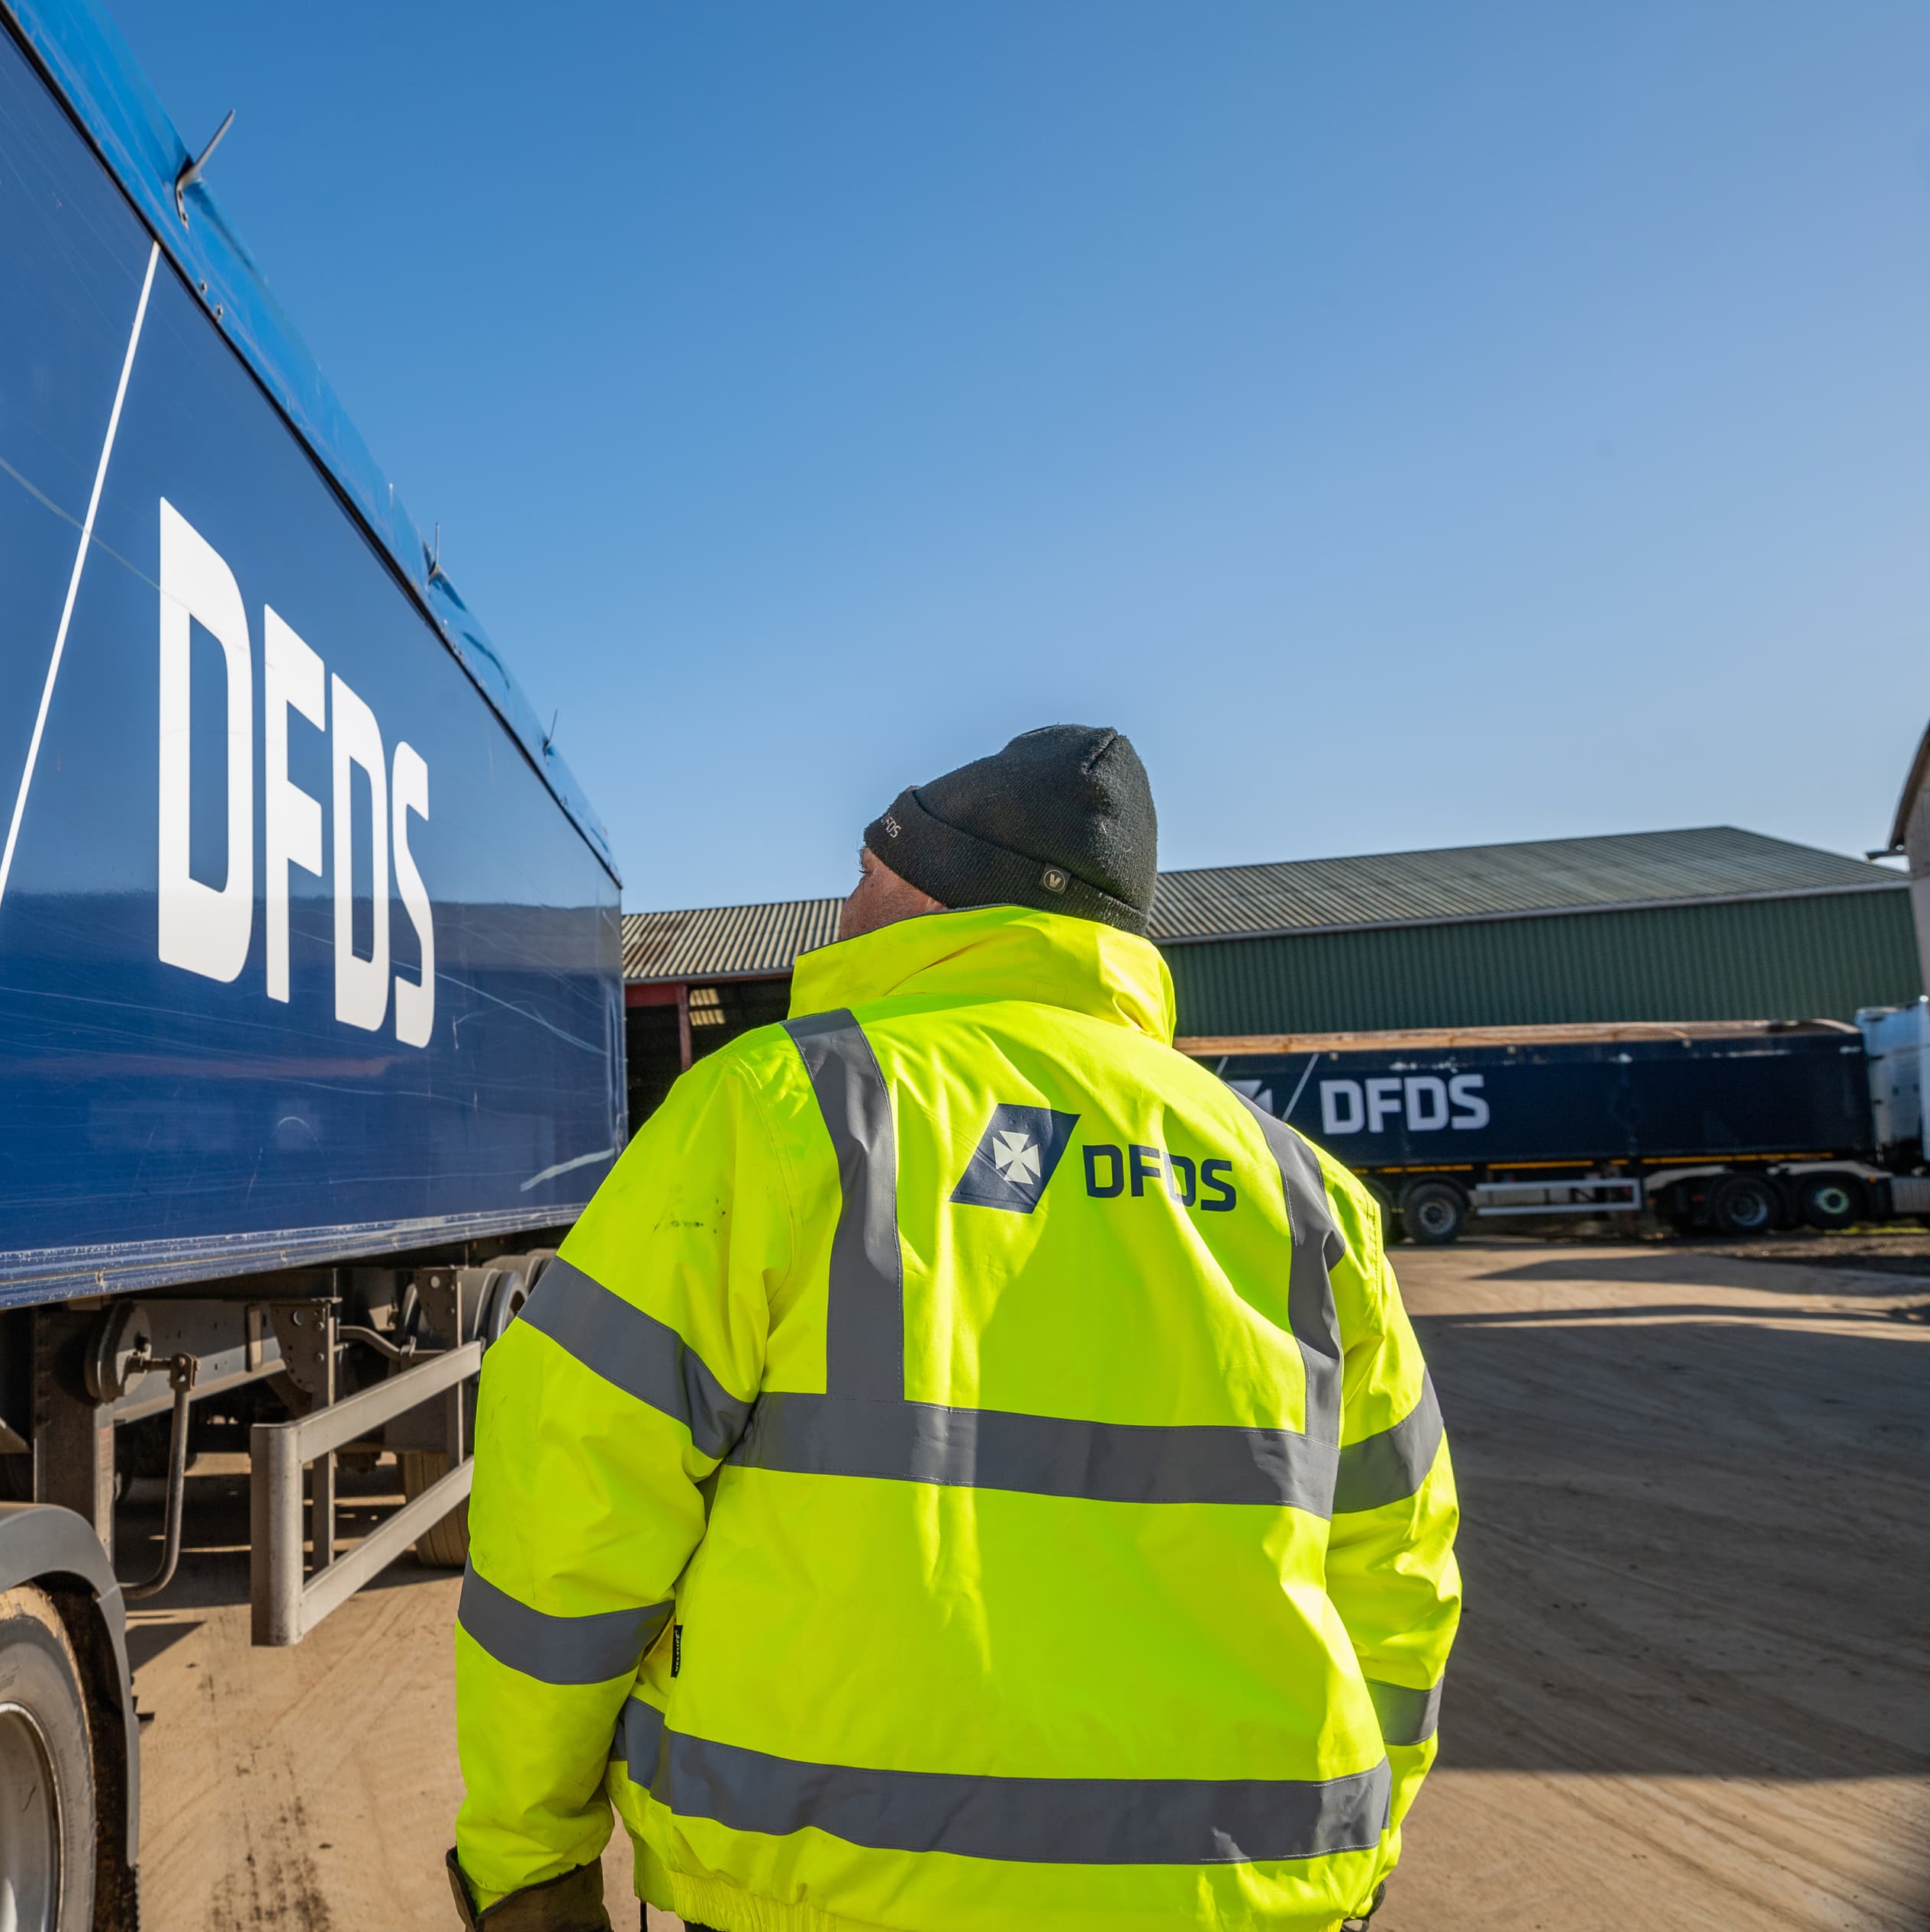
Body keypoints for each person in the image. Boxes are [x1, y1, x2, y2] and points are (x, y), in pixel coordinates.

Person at [446, 726, 1461, 1932]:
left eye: (868, 873)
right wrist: (1364, 1835)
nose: (844, 904)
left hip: (833, 1889)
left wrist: (528, 1853)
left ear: (936, 895)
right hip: (1246, 1896)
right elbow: (1399, 1569)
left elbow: (570, 1509)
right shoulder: (1304, 1191)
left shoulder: (777, 1112)